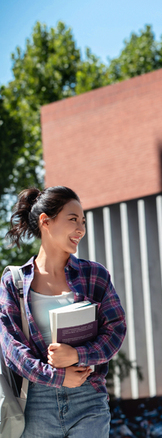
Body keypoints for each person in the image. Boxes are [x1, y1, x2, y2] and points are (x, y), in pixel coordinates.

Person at [0, 186, 126, 437]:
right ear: (45, 222)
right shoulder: (14, 282)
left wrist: (78, 354)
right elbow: (11, 348)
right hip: (35, 404)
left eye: (83, 222)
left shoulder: (94, 274)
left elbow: (115, 330)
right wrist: (57, 376)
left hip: (88, 399)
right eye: (72, 220)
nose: (81, 229)